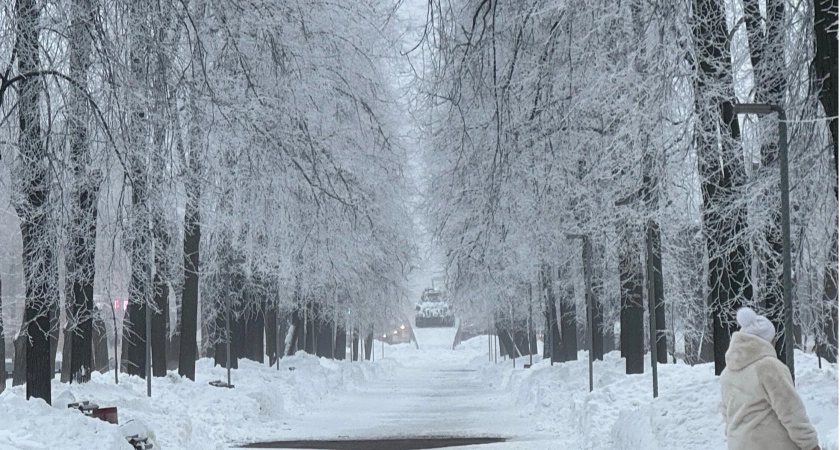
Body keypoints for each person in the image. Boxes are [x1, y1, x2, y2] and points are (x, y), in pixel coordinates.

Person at [720, 307, 821, 450]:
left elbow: (727, 414)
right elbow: (791, 411)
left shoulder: (727, 373)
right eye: (774, 339)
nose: (775, 343)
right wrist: (811, 445)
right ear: (766, 341)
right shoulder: (769, 367)